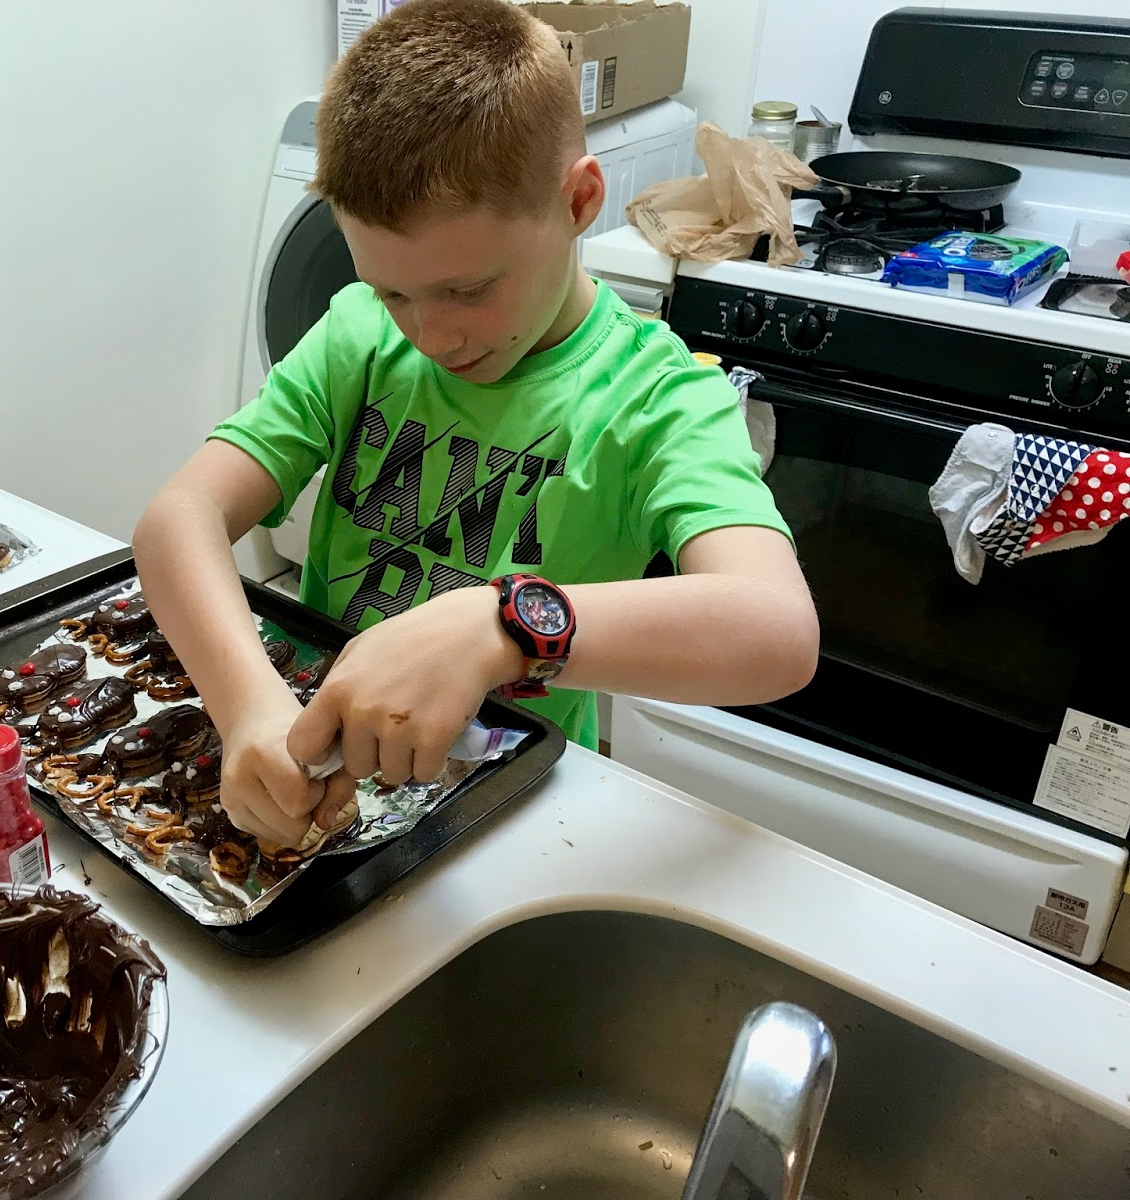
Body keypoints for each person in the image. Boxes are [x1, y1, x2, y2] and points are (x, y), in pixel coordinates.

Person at [132, 0, 819, 851]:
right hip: (328, 789)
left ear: (580, 201)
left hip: (502, 809)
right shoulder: (359, 336)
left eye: (467, 290)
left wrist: (502, 626)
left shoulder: (658, 398)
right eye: (394, 290)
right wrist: (248, 709)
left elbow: (777, 631)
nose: (432, 334)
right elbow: (180, 518)